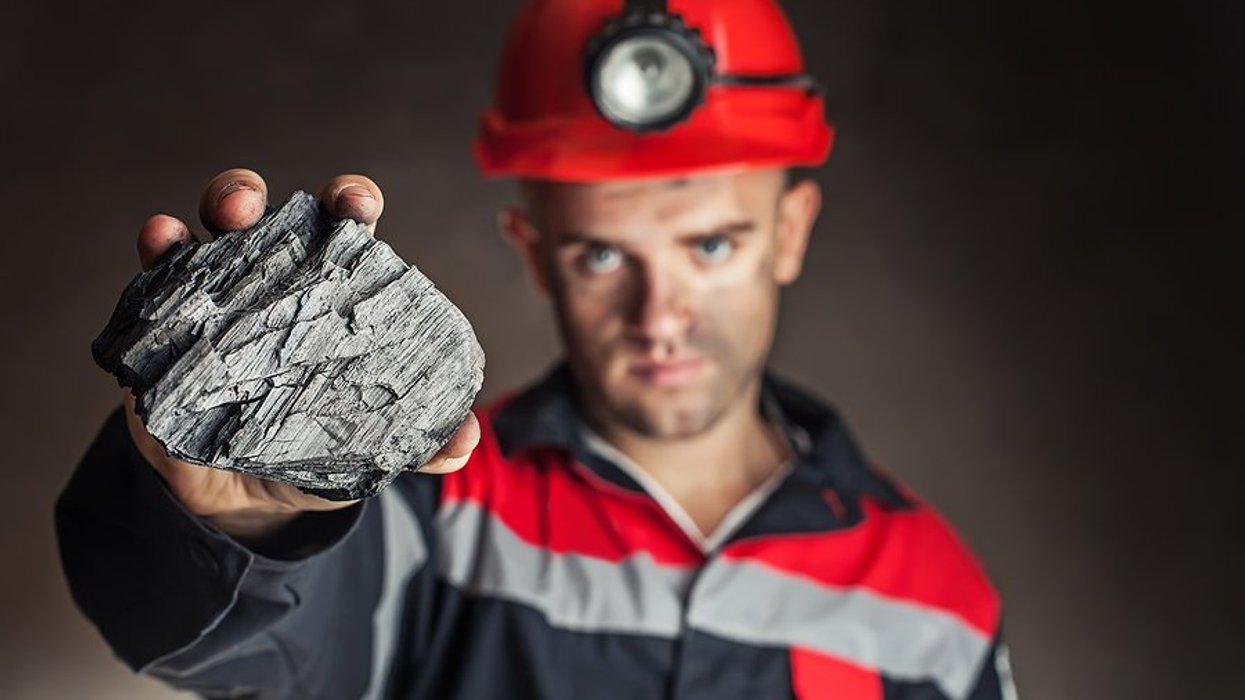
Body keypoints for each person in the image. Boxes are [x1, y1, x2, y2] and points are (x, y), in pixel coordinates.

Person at [57, 0, 1018, 698]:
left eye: (712, 245)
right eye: (601, 252)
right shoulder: (425, 512)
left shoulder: (933, 600)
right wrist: (248, 523)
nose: (660, 312)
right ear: (536, 255)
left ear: (793, 230)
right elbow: (233, 644)